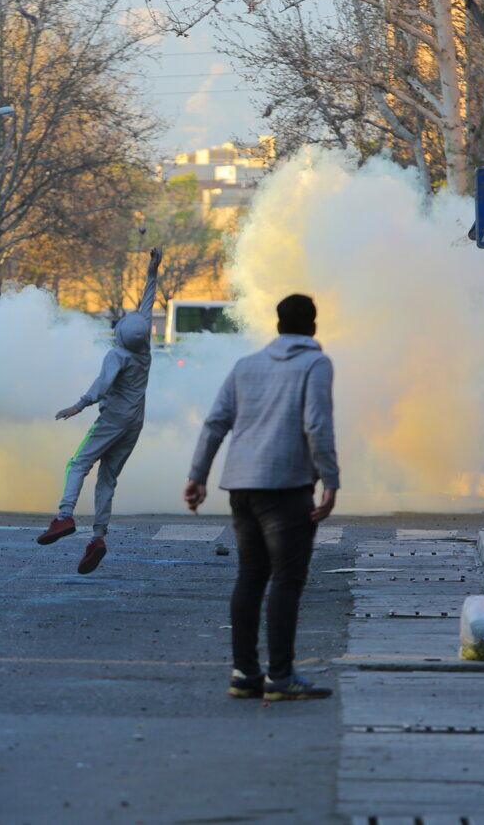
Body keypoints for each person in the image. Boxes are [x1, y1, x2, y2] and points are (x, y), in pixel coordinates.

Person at [184, 294, 338, 702]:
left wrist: (197, 475)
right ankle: (281, 677)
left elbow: (216, 421)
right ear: (313, 326)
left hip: (241, 485)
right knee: (286, 580)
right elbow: (317, 424)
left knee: (251, 576)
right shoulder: (316, 364)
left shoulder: (246, 365)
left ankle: (245, 673)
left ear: (277, 324)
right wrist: (331, 480)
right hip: (286, 487)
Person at [35, 246, 163, 575]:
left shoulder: (117, 355)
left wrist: (78, 405)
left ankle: (64, 517)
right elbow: (149, 297)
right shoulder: (144, 343)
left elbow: (102, 386)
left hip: (112, 420)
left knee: (78, 463)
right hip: (135, 423)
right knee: (107, 479)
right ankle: (98, 538)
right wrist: (153, 266)